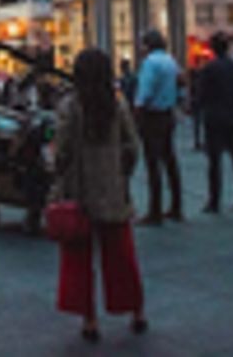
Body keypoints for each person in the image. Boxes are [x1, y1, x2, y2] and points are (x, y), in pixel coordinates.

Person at [52, 49, 148, 342]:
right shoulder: (116, 105)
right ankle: (136, 312)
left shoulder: (70, 106)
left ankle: (89, 320)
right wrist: (120, 175)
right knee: (121, 256)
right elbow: (132, 146)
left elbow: (63, 151)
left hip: (79, 194)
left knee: (79, 259)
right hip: (113, 191)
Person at [133, 30, 184, 225]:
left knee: (152, 163)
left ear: (148, 45)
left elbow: (144, 91)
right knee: (170, 160)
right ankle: (176, 206)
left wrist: (136, 111)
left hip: (152, 115)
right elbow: (180, 80)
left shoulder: (150, 63)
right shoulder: (170, 60)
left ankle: (155, 210)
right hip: (167, 113)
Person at [198, 32, 233, 213]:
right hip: (231, 115)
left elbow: (201, 94)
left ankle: (215, 200)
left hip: (213, 117)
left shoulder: (209, 69)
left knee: (214, 161)